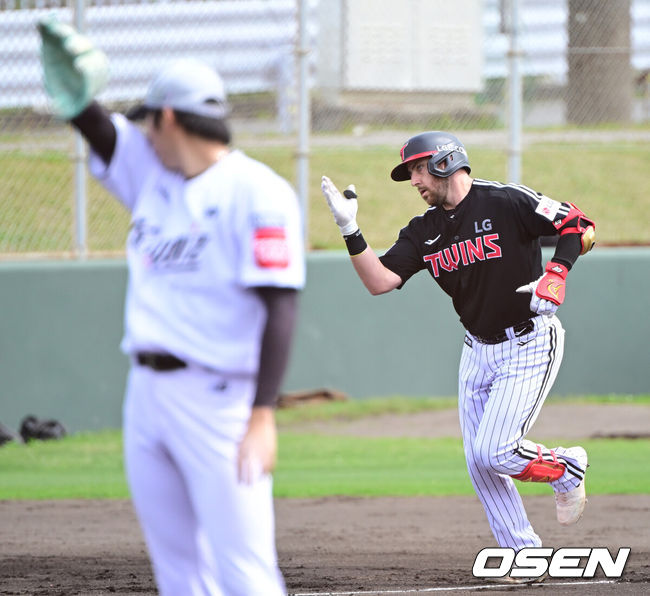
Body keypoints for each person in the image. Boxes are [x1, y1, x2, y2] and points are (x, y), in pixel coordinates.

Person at [38, 17, 305, 596]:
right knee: (178, 570)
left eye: (147, 123)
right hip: (147, 396)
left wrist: (262, 414)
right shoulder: (153, 176)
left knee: (244, 568)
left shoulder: (257, 190)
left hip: (219, 400)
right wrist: (79, 100)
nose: (142, 136)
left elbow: (281, 308)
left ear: (166, 118)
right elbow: (102, 132)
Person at [321, 131, 595, 582]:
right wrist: (350, 230)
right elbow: (380, 281)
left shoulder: (505, 201)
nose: (413, 180)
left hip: (528, 341)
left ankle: (568, 468)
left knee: (495, 450)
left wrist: (557, 272)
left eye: (418, 168)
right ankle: (523, 555)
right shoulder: (424, 230)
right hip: (476, 351)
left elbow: (580, 225)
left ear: (446, 162)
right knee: (479, 462)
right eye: (410, 172)